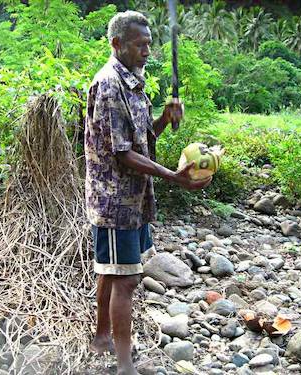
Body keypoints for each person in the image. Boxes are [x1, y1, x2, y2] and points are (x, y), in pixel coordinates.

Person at [84, 10, 211, 375]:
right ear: (117, 44)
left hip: (134, 198)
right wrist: (175, 176)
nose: (147, 52)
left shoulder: (134, 83)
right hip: (115, 201)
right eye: (140, 46)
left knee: (113, 271)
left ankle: (102, 337)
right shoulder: (109, 84)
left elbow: (141, 140)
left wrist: (163, 120)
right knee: (125, 279)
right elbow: (121, 153)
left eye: (150, 45)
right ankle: (124, 365)